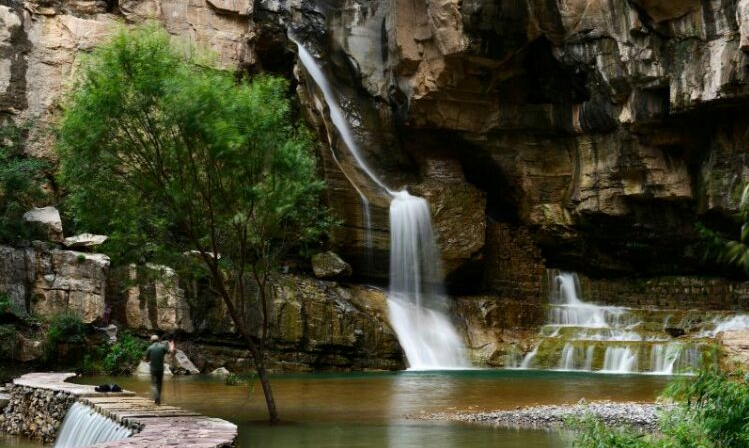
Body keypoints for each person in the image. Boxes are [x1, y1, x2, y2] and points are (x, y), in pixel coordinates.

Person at [144, 335, 175, 405]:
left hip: (153, 369)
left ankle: (156, 397)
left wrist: (148, 359)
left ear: (151, 341)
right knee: (159, 384)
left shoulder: (150, 348)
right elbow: (170, 352)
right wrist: (171, 347)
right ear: (158, 340)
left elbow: (146, 359)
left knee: (153, 384)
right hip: (161, 369)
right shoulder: (162, 347)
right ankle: (158, 400)